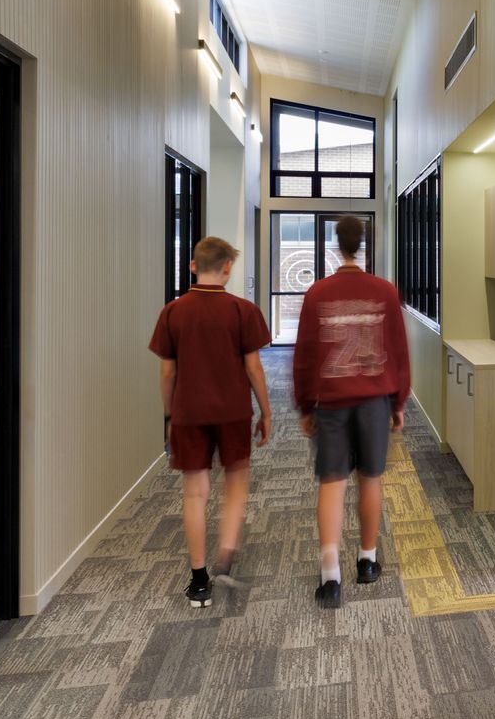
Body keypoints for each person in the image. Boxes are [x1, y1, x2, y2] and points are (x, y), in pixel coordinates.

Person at [292, 215, 410, 609]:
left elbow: (305, 356)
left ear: (335, 245)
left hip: (331, 402)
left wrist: (305, 405)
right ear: (362, 245)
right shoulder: (384, 292)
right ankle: (367, 560)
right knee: (371, 480)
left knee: (332, 482)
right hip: (374, 400)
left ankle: (330, 577)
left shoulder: (317, 294)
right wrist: (398, 402)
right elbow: (398, 350)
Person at [148, 235, 272, 609]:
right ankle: (225, 557)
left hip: (189, 412)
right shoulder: (242, 310)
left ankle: (199, 578)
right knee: (235, 486)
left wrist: (170, 414)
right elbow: (253, 367)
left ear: (192, 266)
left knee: (195, 494)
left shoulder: (173, 312)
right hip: (234, 411)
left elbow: (167, 373)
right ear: (228, 268)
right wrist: (266, 411)